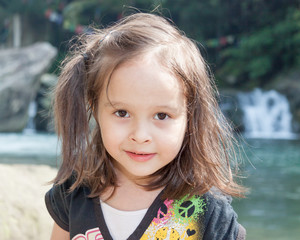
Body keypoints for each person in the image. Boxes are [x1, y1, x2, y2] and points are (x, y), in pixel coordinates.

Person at [45, 12, 246, 240]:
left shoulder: (206, 211)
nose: (140, 136)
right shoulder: (74, 193)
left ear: (190, 116)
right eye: (122, 113)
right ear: (95, 107)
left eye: (161, 115)